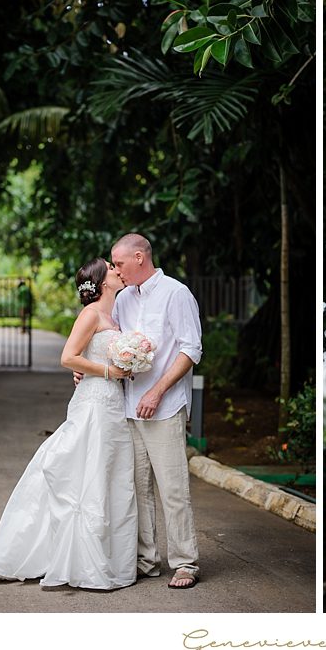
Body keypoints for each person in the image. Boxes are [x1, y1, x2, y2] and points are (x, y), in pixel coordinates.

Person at [0, 258, 137, 590]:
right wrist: (108, 371)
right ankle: (75, 559)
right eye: (111, 267)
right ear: (103, 282)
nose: (118, 270)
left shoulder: (113, 316)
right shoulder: (91, 314)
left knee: (109, 475)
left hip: (113, 404)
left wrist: (128, 363)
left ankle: (109, 558)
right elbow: (68, 357)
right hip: (93, 402)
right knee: (82, 473)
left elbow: (91, 356)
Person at [110, 233, 203, 589]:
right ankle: (147, 560)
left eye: (119, 264)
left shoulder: (176, 294)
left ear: (139, 257)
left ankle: (185, 563)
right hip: (128, 406)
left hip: (164, 407)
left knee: (173, 488)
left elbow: (191, 349)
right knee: (138, 488)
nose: (116, 271)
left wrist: (157, 391)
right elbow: (110, 338)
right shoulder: (122, 299)